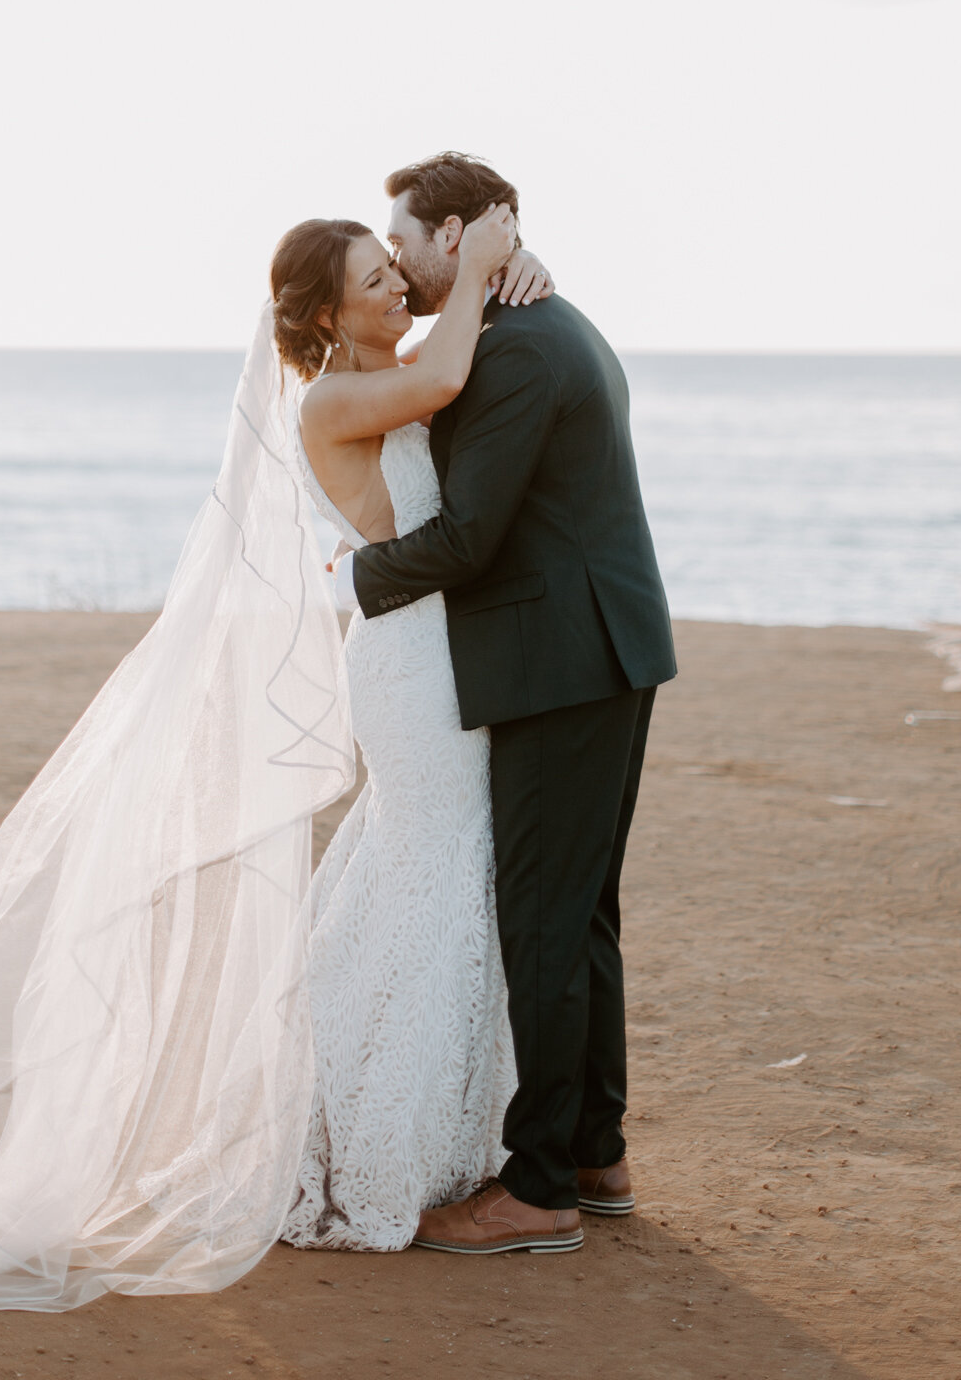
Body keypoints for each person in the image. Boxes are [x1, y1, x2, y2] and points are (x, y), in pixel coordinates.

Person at [0, 197, 560, 1329]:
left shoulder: (386, 358)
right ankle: (374, 1152)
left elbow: (450, 349)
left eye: (392, 274)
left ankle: (367, 1127)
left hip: (426, 651)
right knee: (435, 874)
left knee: (415, 875)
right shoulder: (340, 395)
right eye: (374, 279)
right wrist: (485, 264)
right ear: (322, 313)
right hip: (409, 664)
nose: (396, 288)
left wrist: (504, 273)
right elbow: (452, 376)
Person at [332, 151, 677, 1256]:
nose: (397, 259)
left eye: (406, 240)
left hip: (558, 662)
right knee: (579, 913)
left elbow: (471, 538)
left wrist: (350, 581)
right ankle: (594, 1151)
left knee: (539, 913)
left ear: (461, 233)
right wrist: (502, 269)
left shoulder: (520, 349)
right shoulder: (530, 321)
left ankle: (538, 1189)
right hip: (589, 652)